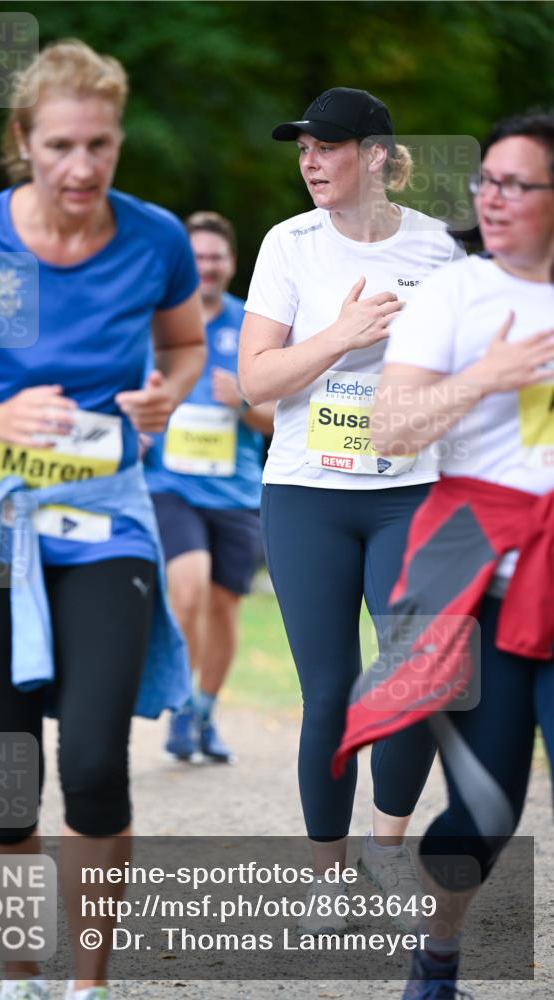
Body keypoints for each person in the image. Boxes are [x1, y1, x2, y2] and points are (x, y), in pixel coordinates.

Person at [0, 40, 205, 1000]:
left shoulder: (152, 238)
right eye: (61, 144)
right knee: (5, 783)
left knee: (98, 759)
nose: (82, 167)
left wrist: (164, 398)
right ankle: (19, 978)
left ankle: (89, 986)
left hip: (103, 517)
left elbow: (185, 343)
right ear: (22, 141)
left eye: (100, 145)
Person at [335, 111, 554, 999]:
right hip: (482, 576)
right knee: (486, 808)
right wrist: (486, 379)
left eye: (517, 184)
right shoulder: (454, 296)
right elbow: (389, 429)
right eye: (486, 182)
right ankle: (438, 951)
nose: (492, 199)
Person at [238, 87, 466, 930]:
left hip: (411, 489)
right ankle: (326, 879)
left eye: (326, 147)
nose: (308, 162)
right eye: (300, 149)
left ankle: (387, 848)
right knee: (329, 689)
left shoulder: (440, 247)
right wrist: (340, 336)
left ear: (373, 155)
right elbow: (255, 381)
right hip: (307, 492)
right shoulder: (287, 244)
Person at [144, 212, 274, 763]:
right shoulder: (157, 324)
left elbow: (278, 420)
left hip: (237, 493)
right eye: (196, 257)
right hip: (171, 486)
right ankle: (178, 707)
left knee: (223, 608)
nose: (206, 266)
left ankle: (202, 709)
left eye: (215, 257)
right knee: (188, 590)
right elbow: (125, 393)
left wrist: (243, 399)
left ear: (231, 264)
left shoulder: (253, 326)